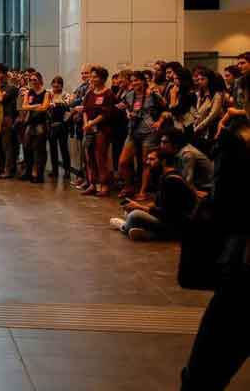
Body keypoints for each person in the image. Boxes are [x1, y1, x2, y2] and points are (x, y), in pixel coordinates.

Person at [181, 74, 250, 390]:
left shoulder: (238, 144)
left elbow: (225, 203)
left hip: (244, 274)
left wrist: (226, 139)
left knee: (203, 373)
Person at [109, 149, 195, 241]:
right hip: (167, 219)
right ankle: (144, 232)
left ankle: (124, 226)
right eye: (147, 159)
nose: (147, 162)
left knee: (134, 215)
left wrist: (140, 208)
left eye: (152, 159)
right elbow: (158, 204)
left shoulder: (171, 181)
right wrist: (137, 205)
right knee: (129, 211)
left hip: (176, 225)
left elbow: (166, 214)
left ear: (163, 162)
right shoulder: (165, 176)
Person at [118, 71, 165, 200]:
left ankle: (143, 191)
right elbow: (125, 106)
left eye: (137, 80)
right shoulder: (129, 95)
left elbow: (165, 108)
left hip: (149, 131)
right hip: (133, 130)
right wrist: (128, 113)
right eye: (132, 81)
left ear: (144, 81)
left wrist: (159, 122)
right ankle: (129, 186)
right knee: (123, 161)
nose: (135, 83)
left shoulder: (152, 94)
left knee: (146, 163)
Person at [82, 66, 116, 197]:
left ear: (102, 78)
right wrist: (86, 124)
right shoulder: (90, 93)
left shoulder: (108, 93)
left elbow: (105, 113)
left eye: (95, 76)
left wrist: (92, 123)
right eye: (92, 76)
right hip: (89, 129)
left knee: (100, 157)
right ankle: (93, 183)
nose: (92, 79)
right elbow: (85, 109)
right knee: (89, 156)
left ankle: (104, 184)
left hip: (102, 128)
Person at [159, 128, 214, 198]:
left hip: (207, 189)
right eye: (161, 142)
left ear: (175, 143)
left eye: (165, 142)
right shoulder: (176, 153)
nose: (161, 145)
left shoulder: (187, 154)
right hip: (195, 186)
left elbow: (187, 182)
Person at [0, 64, 19, 179]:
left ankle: (8, 169)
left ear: (5, 74)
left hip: (7, 118)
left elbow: (0, 99)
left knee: (7, 145)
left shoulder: (11, 88)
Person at [20, 72, 50, 183]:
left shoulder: (46, 93)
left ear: (40, 80)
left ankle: (38, 173)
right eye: (31, 80)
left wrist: (31, 107)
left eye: (35, 79)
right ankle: (28, 171)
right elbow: (24, 106)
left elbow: (44, 108)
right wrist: (36, 105)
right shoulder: (29, 92)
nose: (33, 82)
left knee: (39, 149)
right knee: (27, 147)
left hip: (40, 124)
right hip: (30, 123)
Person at [69, 64, 93, 189]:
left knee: (88, 154)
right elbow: (72, 101)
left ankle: (88, 180)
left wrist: (74, 103)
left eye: (87, 73)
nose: (84, 76)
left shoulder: (91, 88)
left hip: (88, 124)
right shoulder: (81, 86)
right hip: (79, 124)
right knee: (81, 153)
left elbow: (78, 101)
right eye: (83, 73)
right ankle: (83, 177)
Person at [191, 66, 225, 154]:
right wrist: (195, 125)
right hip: (200, 130)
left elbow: (212, 115)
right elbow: (198, 112)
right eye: (198, 80)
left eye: (203, 79)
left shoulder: (217, 94)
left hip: (211, 129)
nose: (200, 82)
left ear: (209, 79)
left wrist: (198, 127)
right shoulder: (200, 94)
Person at [216, 52, 250, 138]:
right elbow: (235, 106)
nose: (239, 66)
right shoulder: (239, 81)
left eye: (243, 63)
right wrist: (222, 121)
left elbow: (237, 110)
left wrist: (237, 111)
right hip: (239, 122)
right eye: (238, 63)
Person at [47, 76, 71, 180]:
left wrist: (58, 103)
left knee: (64, 148)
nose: (56, 85)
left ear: (62, 85)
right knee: (52, 149)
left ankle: (67, 171)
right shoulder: (48, 94)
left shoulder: (65, 95)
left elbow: (68, 106)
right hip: (51, 124)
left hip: (62, 125)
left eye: (59, 83)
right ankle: (54, 170)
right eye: (54, 83)